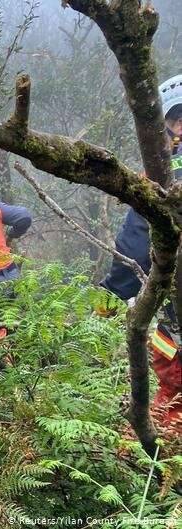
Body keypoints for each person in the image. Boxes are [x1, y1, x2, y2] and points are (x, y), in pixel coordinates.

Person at [100, 74, 182, 428]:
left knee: (173, 398)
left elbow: (137, 238)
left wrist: (114, 292)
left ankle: (160, 465)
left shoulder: (164, 173)